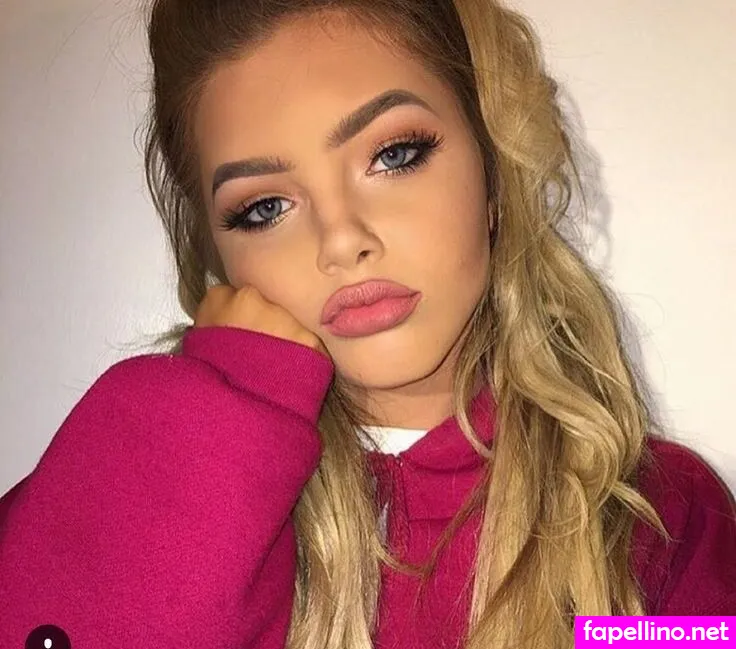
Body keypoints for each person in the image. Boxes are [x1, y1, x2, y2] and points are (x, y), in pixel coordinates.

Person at [1, 0, 735, 647]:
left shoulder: (659, 522)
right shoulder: (133, 481)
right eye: (265, 207)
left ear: (491, 172)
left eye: (394, 154)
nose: (341, 238)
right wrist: (223, 416)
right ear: (218, 255)